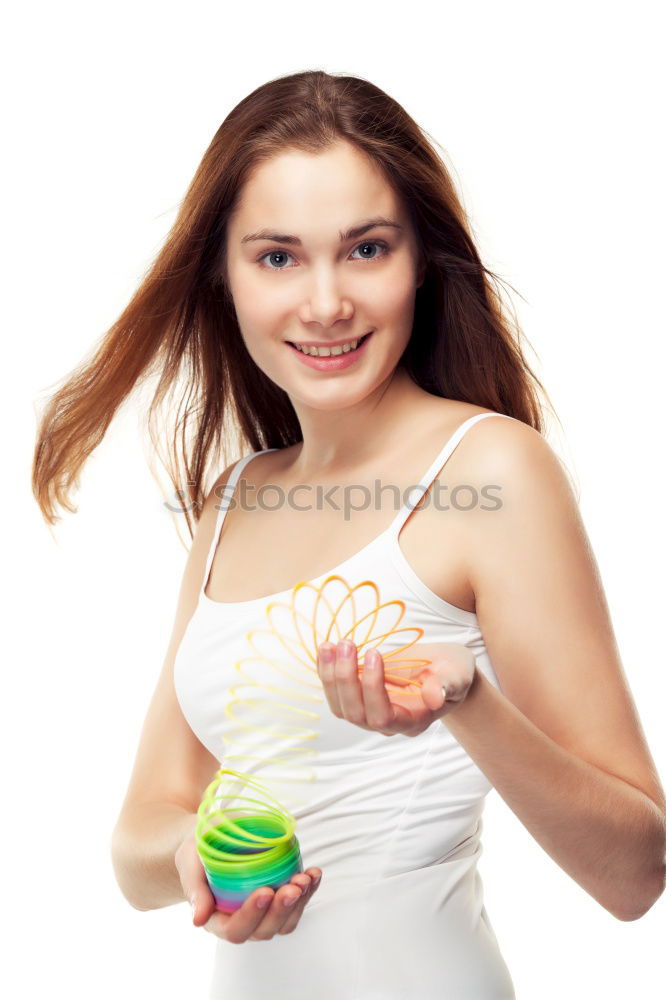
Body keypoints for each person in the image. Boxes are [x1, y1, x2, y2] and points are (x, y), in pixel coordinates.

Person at [31, 70, 665, 999]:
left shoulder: (490, 471)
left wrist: (468, 700)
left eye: (365, 249)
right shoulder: (235, 501)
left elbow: (636, 872)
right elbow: (138, 837)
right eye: (278, 258)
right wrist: (196, 853)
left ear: (420, 262)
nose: (326, 304)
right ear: (224, 273)